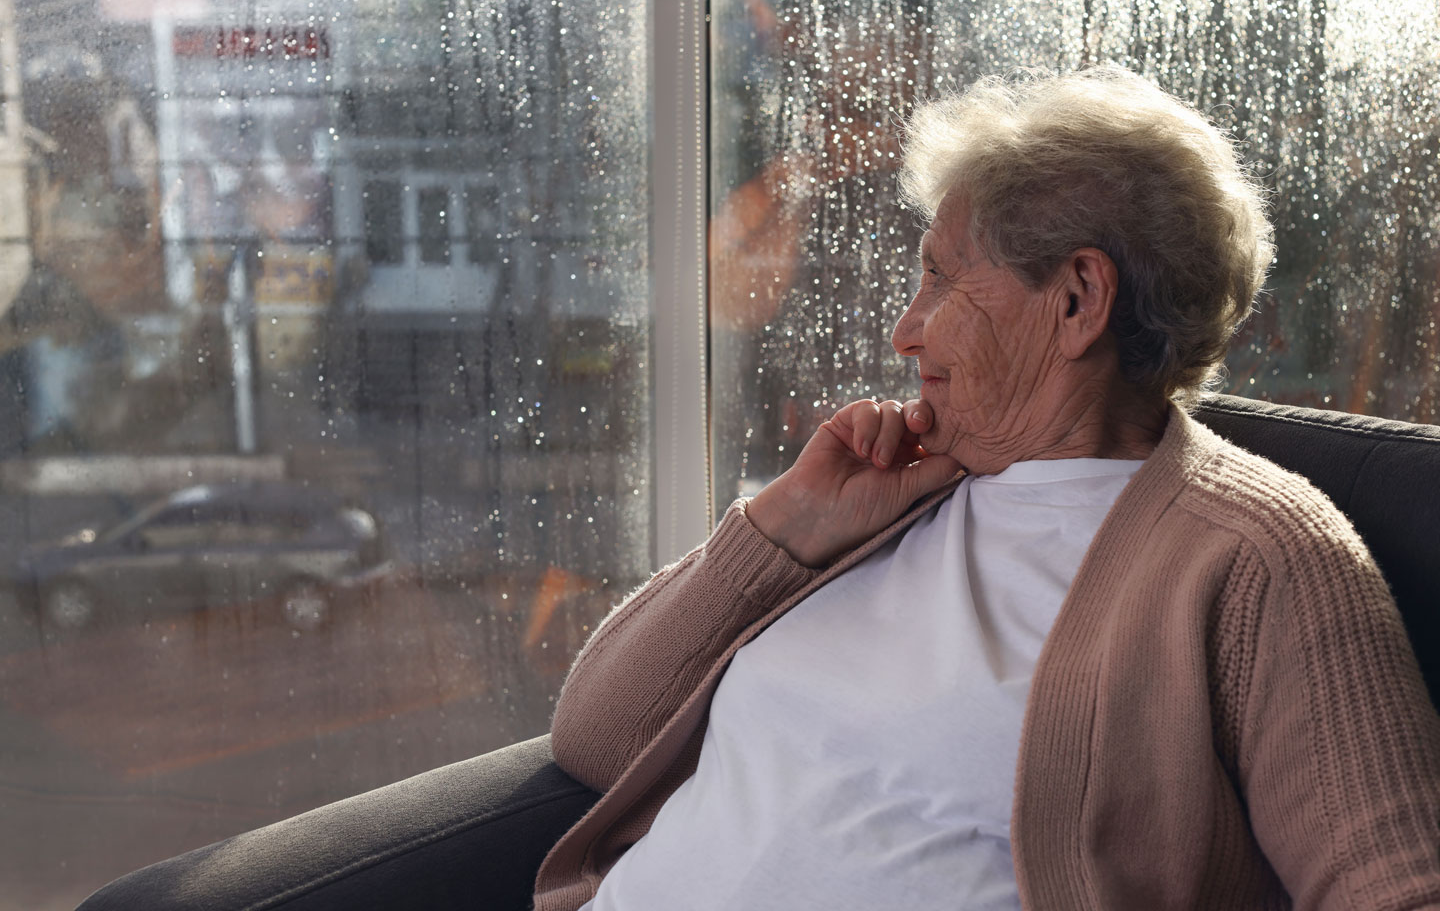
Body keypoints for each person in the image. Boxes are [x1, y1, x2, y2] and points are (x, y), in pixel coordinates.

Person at [533, 66, 1440, 910]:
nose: (905, 331)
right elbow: (597, 738)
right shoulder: (889, 494)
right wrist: (785, 529)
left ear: (1078, 299)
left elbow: (1395, 885)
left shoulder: (1264, 555)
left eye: (939, 277)